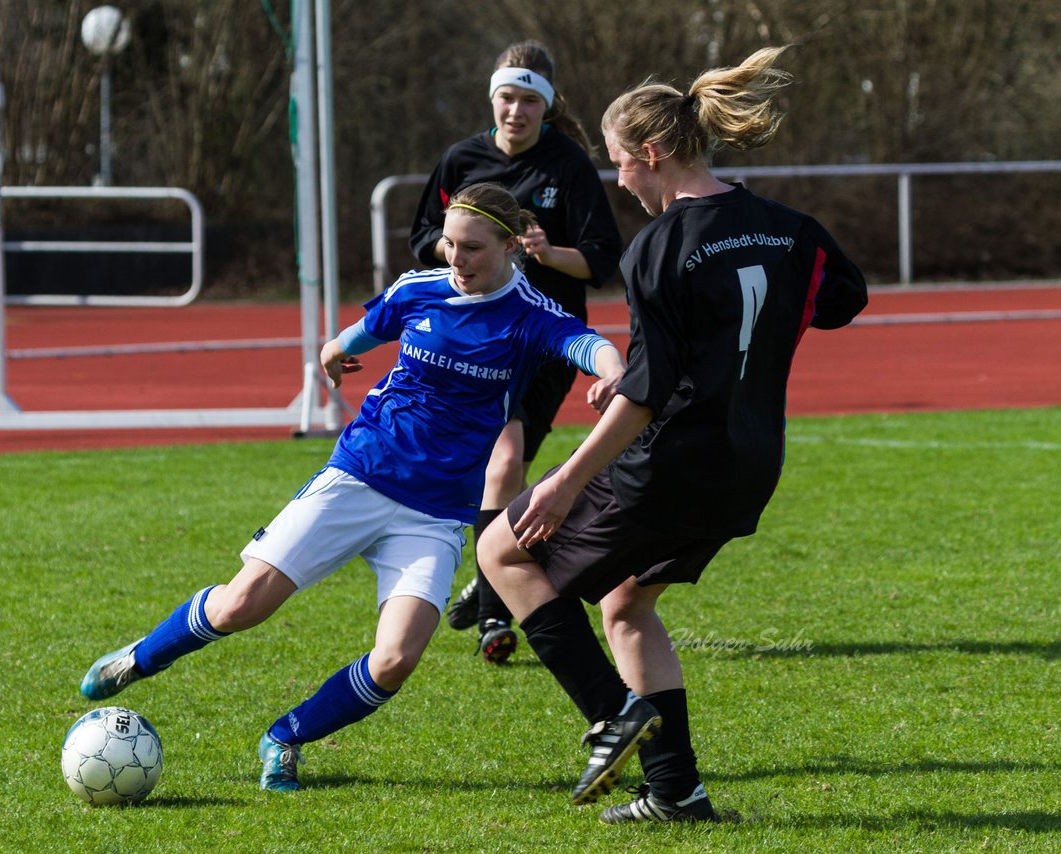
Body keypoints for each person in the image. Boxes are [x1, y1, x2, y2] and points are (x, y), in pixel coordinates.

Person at [80, 182, 625, 792]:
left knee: (395, 661)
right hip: (360, 475)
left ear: (509, 245)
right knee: (241, 606)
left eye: (472, 248)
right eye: (449, 244)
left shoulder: (528, 314)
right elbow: (356, 336)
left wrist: (612, 374)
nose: (455, 259)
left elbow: (590, 343)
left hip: (435, 512)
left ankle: (284, 738)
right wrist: (334, 352)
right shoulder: (418, 289)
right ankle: (137, 659)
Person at [478, 46, 868, 823]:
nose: (619, 179)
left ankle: (610, 714)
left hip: (673, 463)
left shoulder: (656, 247)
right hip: (750, 463)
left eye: (621, 163)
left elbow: (649, 398)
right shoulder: (790, 229)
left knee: (501, 551)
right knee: (625, 605)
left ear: (652, 154)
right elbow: (838, 302)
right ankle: (677, 793)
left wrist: (563, 481)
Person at [409, 40, 623, 664]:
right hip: (473, 338)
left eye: (530, 99)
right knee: (483, 468)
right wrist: (461, 253)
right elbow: (424, 237)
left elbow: (603, 262)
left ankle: (495, 611)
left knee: (502, 465)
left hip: (541, 340)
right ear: (492, 98)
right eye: (507, 96)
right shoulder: (461, 160)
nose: (516, 110)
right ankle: (496, 571)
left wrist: (546, 252)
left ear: (547, 105)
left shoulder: (569, 166)